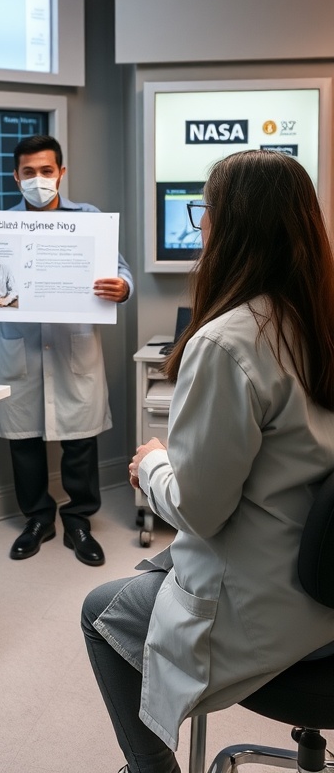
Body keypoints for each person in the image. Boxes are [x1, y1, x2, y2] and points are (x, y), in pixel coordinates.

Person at [81, 149, 334, 773]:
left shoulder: (229, 341)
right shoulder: (321, 321)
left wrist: (154, 466)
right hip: (326, 574)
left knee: (100, 610)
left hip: (276, 610)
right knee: (152, 572)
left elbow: (200, 509)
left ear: (229, 227)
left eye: (205, 214)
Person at [0, 133, 133, 566]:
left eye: (47, 171)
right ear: (16, 177)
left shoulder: (89, 219)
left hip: (73, 348)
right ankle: (38, 519)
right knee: (23, 444)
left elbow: (120, 271)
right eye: (29, 173)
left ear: (62, 173)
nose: (39, 180)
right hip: (20, 352)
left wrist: (122, 287)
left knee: (80, 442)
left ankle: (79, 521)